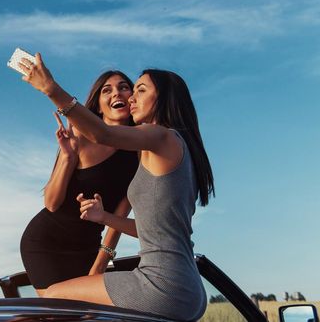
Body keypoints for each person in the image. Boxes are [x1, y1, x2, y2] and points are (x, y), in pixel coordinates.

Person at [18, 54, 215, 321]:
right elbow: (154, 231)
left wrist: (50, 89)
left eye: (140, 90)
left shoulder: (162, 137)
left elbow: (103, 133)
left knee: (54, 299)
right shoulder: (170, 152)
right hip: (190, 290)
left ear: (166, 98)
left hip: (161, 284)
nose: (131, 97)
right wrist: (105, 217)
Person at [20, 71, 139, 297]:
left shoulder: (140, 152)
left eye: (124, 87)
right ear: (100, 105)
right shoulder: (79, 135)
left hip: (87, 247)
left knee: (83, 314)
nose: (116, 92)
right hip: (46, 243)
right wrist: (68, 157)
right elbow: (52, 204)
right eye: (107, 90)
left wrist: (100, 263)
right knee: (61, 313)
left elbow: (120, 217)